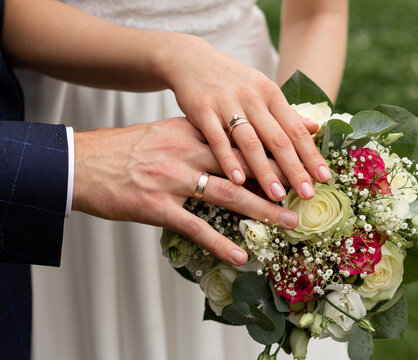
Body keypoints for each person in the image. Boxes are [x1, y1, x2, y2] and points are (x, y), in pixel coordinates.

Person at [8, 0, 348, 359]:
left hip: (247, 91)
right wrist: (172, 54)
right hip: (83, 102)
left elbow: (318, 12)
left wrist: (292, 136)